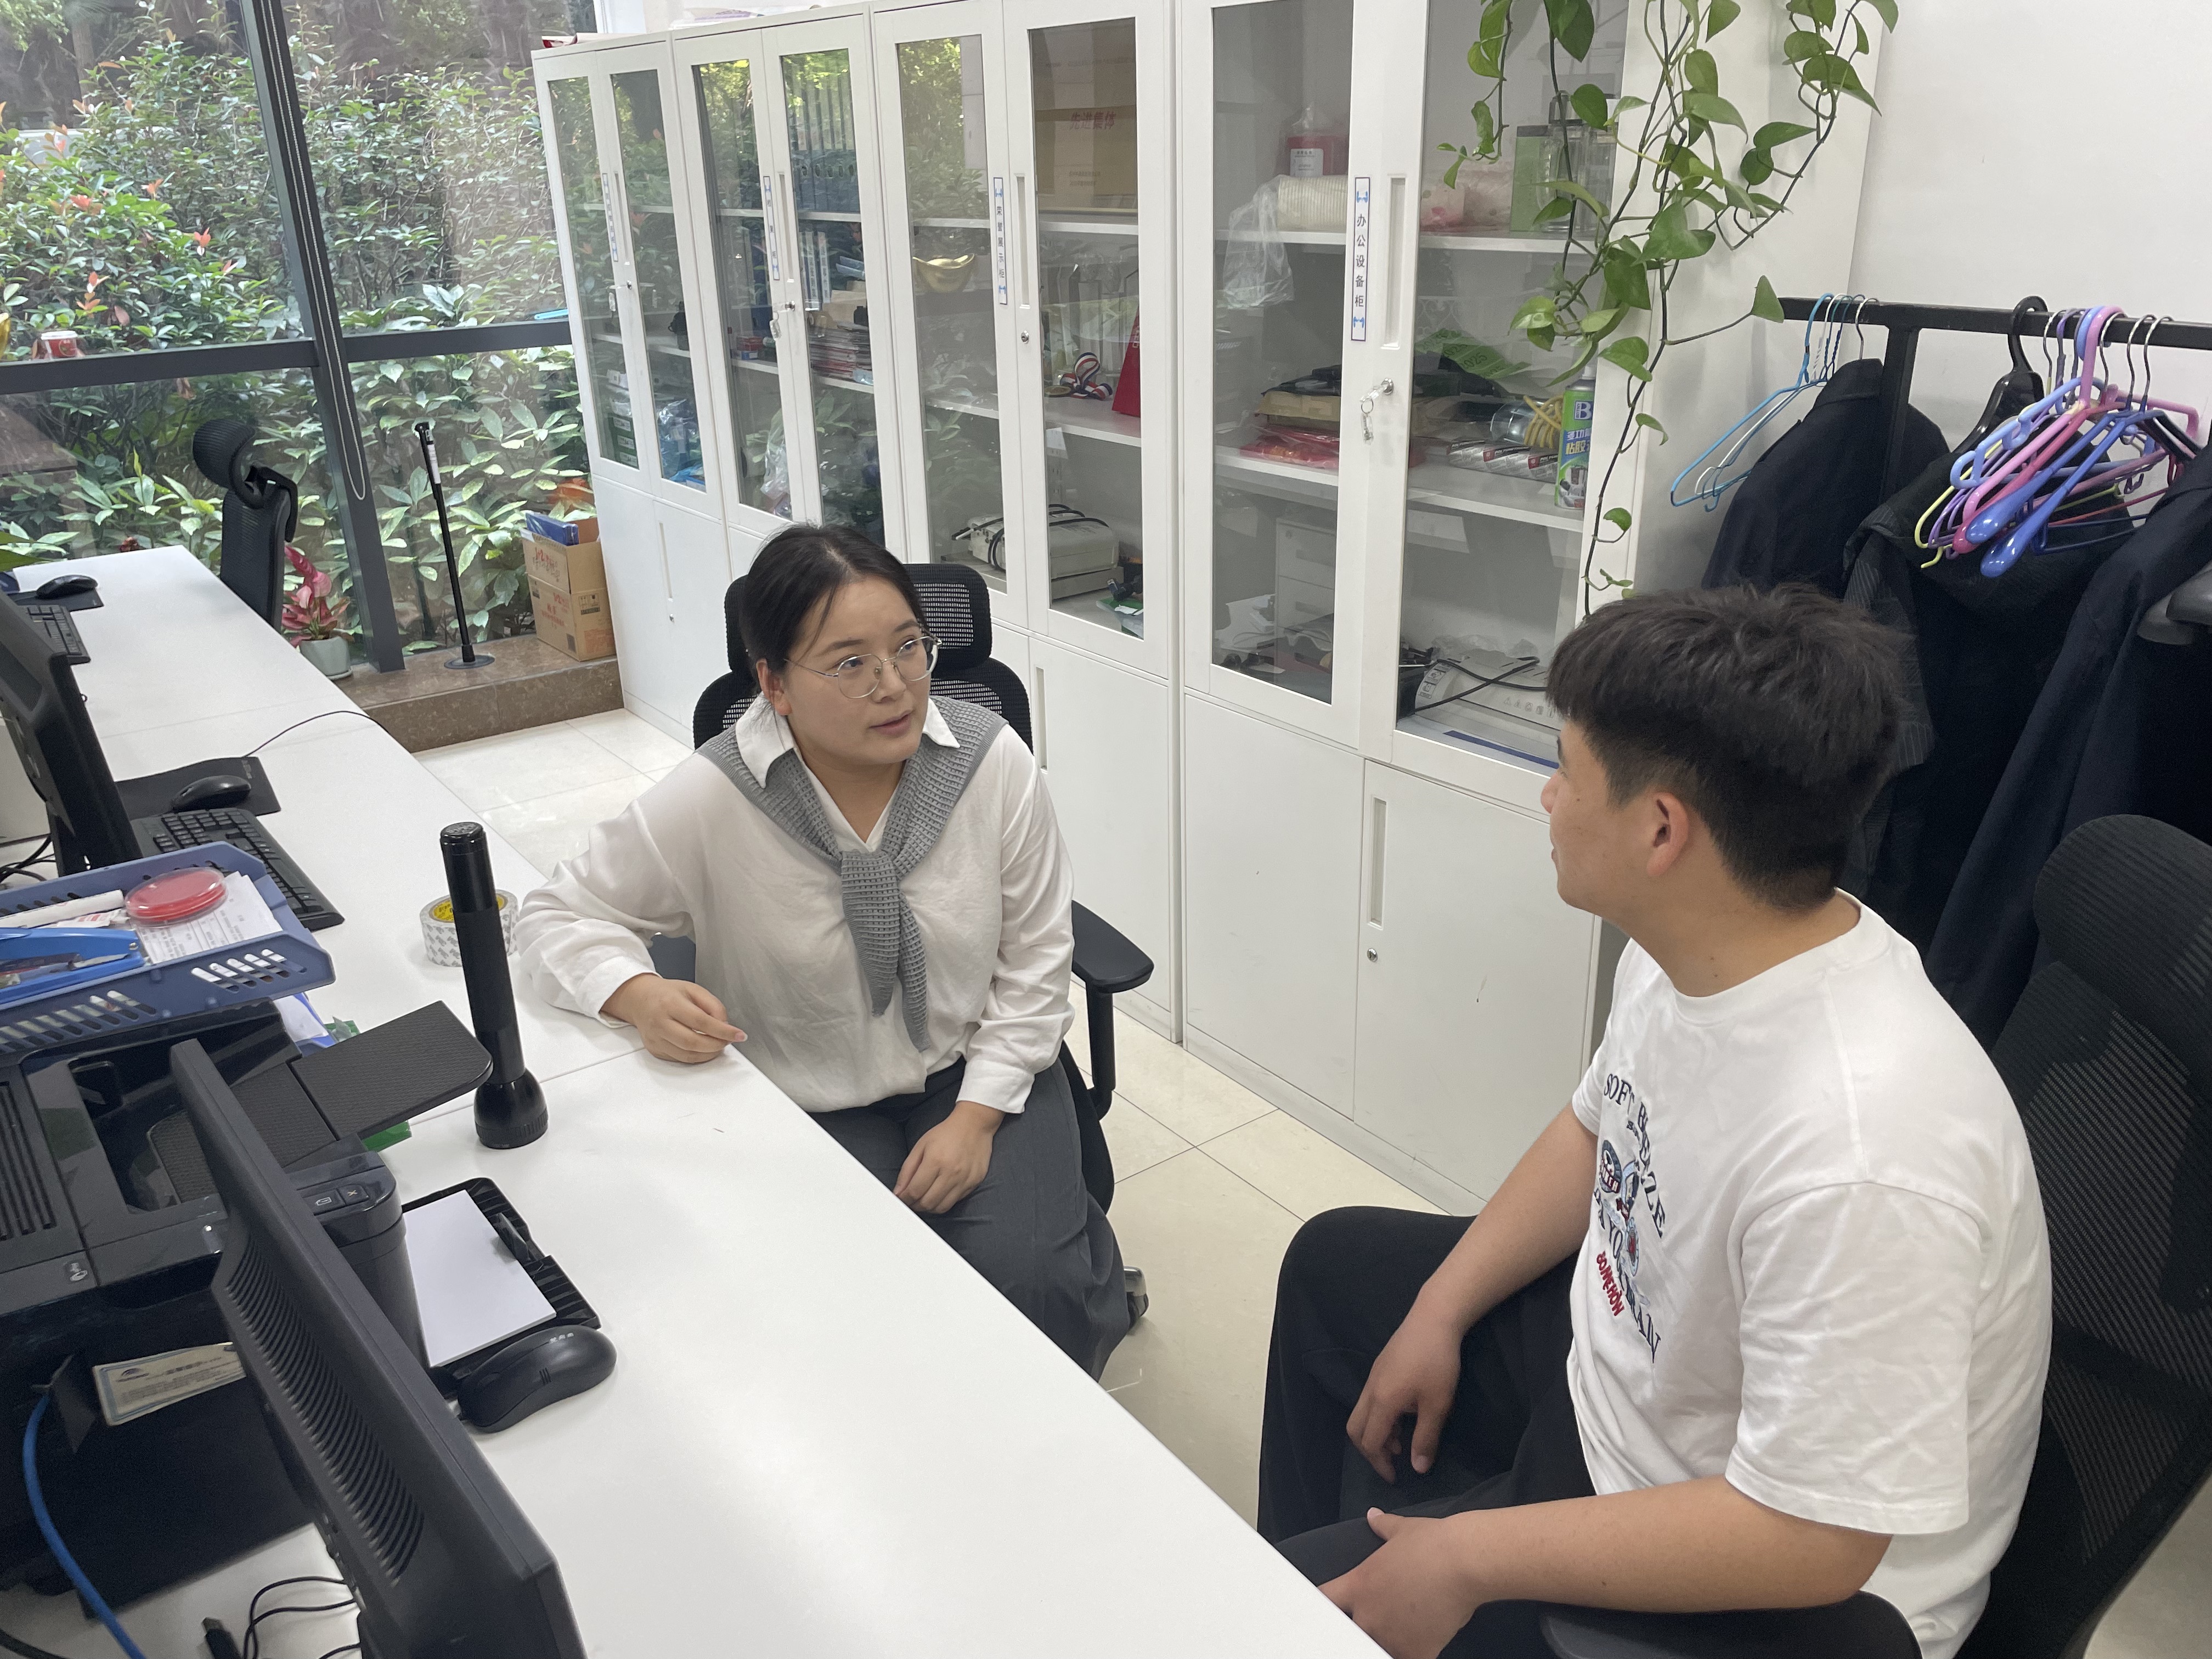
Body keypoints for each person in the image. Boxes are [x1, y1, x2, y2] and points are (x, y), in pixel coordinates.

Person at [1258, 586, 2051, 1659]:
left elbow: (1814, 1544)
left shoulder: (1866, 1154)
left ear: (1661, 829)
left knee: (1282, 1625)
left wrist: (1469, 1558)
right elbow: (1599, 1128)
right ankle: (1301, 1570)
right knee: (1336, 1270)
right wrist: (1437, 1308)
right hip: (1631, 1393)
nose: (1548, 798)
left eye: (1567, 773)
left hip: (1776, 1592)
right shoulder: (1702, 946)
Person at [514, 524, 1130, 1376]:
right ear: (775, 685)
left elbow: (1035, 961)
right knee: (854, 1299)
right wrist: (637, 993)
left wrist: (977, 1117)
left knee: (1034, 1286)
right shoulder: (716, 798)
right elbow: (552, 914)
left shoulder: (993, 767)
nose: (895, 686)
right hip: (807, 1093)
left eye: (908, 648)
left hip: (973, 1066)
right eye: (850, 664)